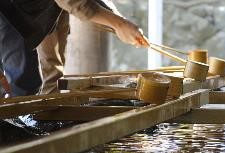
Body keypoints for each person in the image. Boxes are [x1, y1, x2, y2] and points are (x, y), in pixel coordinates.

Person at [0, 0, 149, 97]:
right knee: (23, 81)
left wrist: (119, 23)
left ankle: (49, 119)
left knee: (52, 73)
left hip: (46, 9)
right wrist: (119, 24)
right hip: (11, 10)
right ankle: (14, 136)